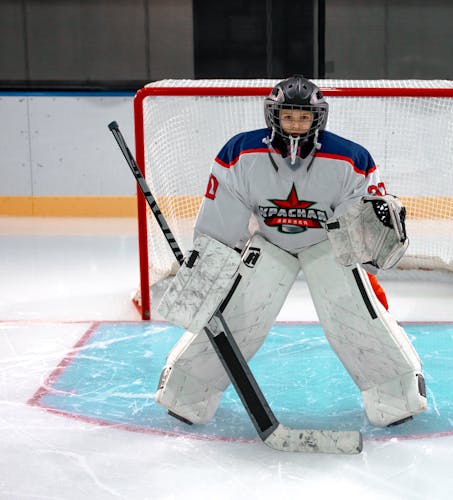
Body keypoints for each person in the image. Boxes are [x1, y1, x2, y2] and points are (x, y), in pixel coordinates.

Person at [154, 75, 427, 429]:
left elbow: (360, 230)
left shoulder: (351, 159)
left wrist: (374, 243)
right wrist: (209, 267)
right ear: (273, 115)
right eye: (288, 116)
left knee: (355, 316)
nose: (296, 125)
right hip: (269, 244)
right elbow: (222, 221)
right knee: (236, 316)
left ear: (319, 118)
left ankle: (397, 397)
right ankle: (187, 393)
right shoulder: (240, 154)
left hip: (326, 246)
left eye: (303, 117)